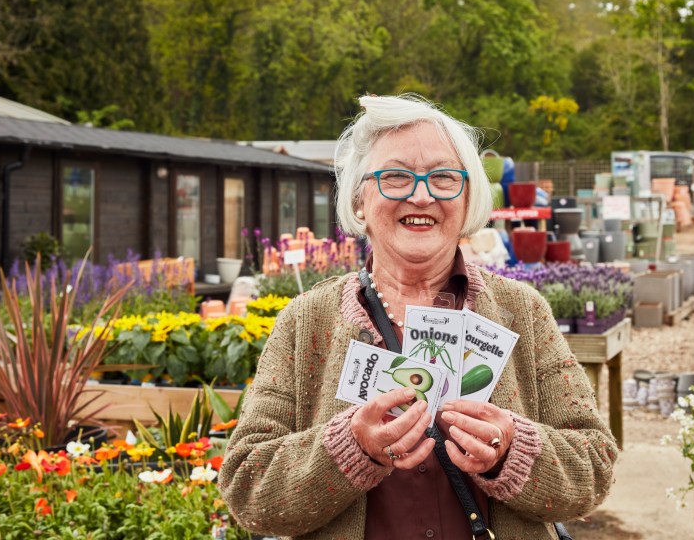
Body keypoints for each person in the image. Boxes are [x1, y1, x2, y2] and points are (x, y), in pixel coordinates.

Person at [218, 94, 617, 539]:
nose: (422, 195)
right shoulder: (305, 322)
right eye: (395, 177)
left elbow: (594, 464)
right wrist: (350, 447)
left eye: (444, 178)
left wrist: (511, 450)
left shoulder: (522, 312)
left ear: (467, 201)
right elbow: (246, 487)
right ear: (359, 203)